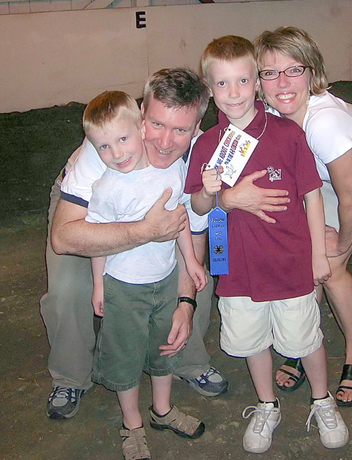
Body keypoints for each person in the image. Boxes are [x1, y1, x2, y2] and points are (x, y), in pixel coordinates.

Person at [186, 35, 349, 454]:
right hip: (238, 267)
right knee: (251, 340)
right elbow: (201, 208)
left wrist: (317, 255)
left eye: (243, 80)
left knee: (305, 338)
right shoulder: (207, 145)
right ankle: (266, 404)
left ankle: (322, 398)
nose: (234, 92)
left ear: (257, 83)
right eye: (222, 84)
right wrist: (212, 192)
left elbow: (313, 195)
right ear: (209, 90)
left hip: (291, 262)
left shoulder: (286, 134)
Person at [40, 68, 229, 422]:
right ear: (141, 115)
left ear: (197, 126)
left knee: (198, 286)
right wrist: (143, 231)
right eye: (157, 125)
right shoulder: (107, 148)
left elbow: (197, 230)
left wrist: (185, 302)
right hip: (89, 214)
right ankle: (70, 375)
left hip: (162, 216)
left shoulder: (198, 156)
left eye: (181, 130)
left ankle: (186, 361)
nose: (165, 142)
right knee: (68, 289)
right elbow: (64, 237)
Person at [254, 26, 352, 406]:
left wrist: (338, 241)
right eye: (270, 73)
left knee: (331, 266)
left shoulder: (325, 124)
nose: (282, 82)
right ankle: (304, 341)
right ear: (259, 81)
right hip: (318, 175)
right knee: (304, 252)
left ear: (312, 72)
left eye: (294, 70)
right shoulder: (275, 108)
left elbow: (351, 200)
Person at [83, 90, 207, 459]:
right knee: (124, 354)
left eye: (122, 140)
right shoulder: (106, 188)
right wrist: (97, 285)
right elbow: (97, 242)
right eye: (104, 147)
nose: (117, 154)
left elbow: (181, 218)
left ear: (139, 128)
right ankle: (132, 423)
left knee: (164, 345)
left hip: (166, 279)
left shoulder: (169, 169)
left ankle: (163, 410)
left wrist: (192, 261)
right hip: (124, 286)